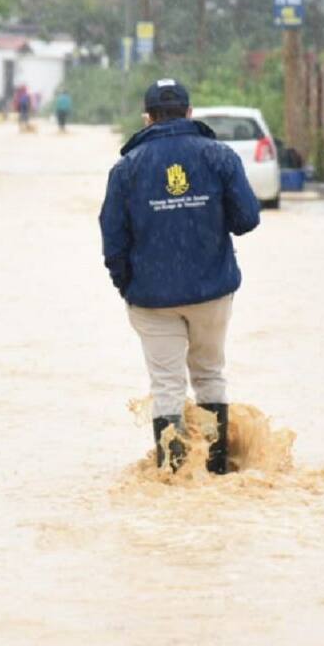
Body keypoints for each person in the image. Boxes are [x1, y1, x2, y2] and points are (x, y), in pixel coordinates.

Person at [98, 78, 261, 474]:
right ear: (190, 113)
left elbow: (113, 242)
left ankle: (174, 474)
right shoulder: (220, 157)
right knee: (209, 374)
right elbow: (247, 220)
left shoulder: (126, 169)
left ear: (147, 117)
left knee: (167, 385)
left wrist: (130, 287)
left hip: (152, 298)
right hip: (212, 291)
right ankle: (216, 469)